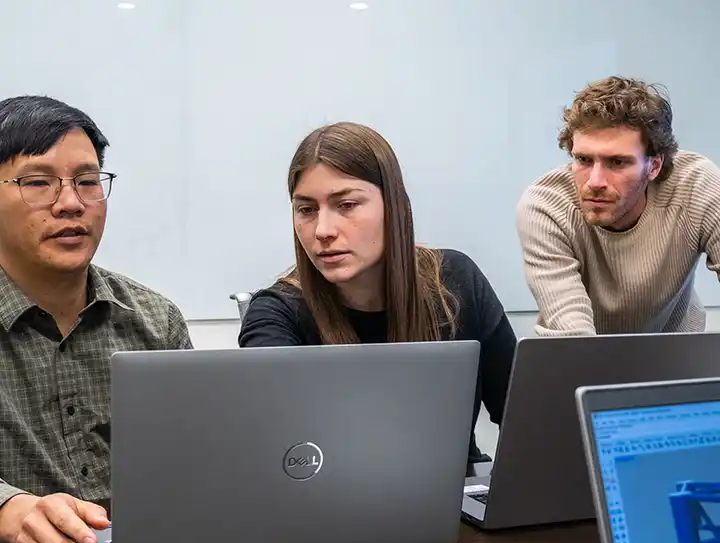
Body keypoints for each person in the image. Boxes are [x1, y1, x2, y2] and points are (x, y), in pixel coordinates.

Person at [238, 122, 516, 468]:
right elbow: (278, 453)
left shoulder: (454, 282)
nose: (323, 231)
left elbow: (524, 419)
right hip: (332, 507)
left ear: (394, 207)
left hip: (455, 493)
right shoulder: (275, 315)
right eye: (306, 209)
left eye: (347, 204)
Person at [0, 95, 192, 543]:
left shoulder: (155, 321)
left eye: (88, 181)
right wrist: (12, 511)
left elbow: (197, 461)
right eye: (38, 183)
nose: (71, 203)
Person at [517, 75, 720, 336]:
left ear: (654, 166)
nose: (595, 181)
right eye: (583, 159)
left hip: (675, 355)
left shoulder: (695, 185)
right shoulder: (545, 207)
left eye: (617, 162)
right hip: (582, 362)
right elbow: (574, 337)